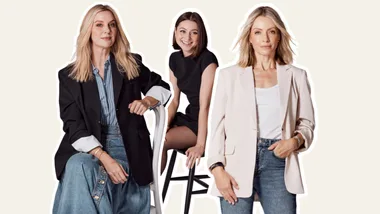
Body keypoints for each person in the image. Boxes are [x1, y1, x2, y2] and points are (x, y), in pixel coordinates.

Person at [52, 4, 171, 214]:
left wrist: (147, 101)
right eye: (99, 25)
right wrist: (105, 159)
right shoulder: (68, 76)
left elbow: (162, 87)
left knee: (79, 172)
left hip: (127, 147)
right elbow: (73, 126)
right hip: (88, 147)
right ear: (88, 30)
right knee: (79, 165)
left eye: (112, 25)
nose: (107, 30)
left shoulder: (130, 64)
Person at [206, 6, 316, 214]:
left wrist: (295, 142)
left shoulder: (296, 76)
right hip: (235, 164)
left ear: (279, 37)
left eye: (271, 31)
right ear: (249, 37)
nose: (265, 38)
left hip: (278, 162)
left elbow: (307, 123)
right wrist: (217, 169)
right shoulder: (229, 76)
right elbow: (217, 127)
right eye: (258, 32)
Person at [160, 11, 219, 174]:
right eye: (183, 31)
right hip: (189, 117)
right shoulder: (174, 59)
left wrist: (200, 145)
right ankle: (140, 188)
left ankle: (149, 188)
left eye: (194, 32)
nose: (187, 37)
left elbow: (205, 106)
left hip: (207, 122)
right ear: (175, 32)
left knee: (161, 142)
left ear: (201, 36)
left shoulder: (208, 60)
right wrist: (163, 126)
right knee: (152, 135)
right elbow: (174, 101)